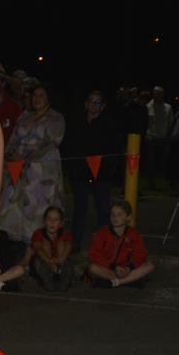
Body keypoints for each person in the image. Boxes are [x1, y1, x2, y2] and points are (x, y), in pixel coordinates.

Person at [0, 83, 65, 243]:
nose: (37, 99)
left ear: (48, 98)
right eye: (35, 95)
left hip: (41, 172)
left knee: (38, 208)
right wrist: (10, 157)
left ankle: (39, 245)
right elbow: (13, 139)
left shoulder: (56, 118)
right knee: (13, 205)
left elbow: (51, 143)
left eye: (41, 95)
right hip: (17, 171)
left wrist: (26, 159)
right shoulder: (24, 115)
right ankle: (13, 243)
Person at [63, 90, 119, 251]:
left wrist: (109, 170)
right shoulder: (76, 122)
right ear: (86, 104)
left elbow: (115, 150)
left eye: (98, 102)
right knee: (80, 210)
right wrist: (73, 169)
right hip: (80, 174)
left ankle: (105, 244)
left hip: (102, 175)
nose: (94, 105)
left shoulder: (109, 124)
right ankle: (76, 243)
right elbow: (68, 147)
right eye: (91, 101)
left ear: (102, 106)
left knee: (103, 211)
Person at [87, 199, 155, 287]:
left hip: (125, 270)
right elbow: (93, 254)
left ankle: (117, 282)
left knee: (149, 266)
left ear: (128, 217)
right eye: (113, 214)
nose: (115, 217)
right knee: (93, 268)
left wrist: (129, 268)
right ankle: (129, 280)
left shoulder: (133, 234)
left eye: (119, 214)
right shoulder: (102, 233)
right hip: (109, 268)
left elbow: (140, 254)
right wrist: (113, 267)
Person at [28, 206, 75, 292]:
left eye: (56, 220)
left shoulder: (66, 234)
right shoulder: (38, 233)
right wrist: (50, 262)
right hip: (45, 262)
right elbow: (38, 249)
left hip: (60, 261)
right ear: (44, 221)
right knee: (45, 244)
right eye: (49, 219)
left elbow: (68, 247)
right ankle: (47, 281)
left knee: (62, 244)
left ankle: (63, 281)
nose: (52, 222)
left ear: (61, 223)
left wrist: (61, 259)